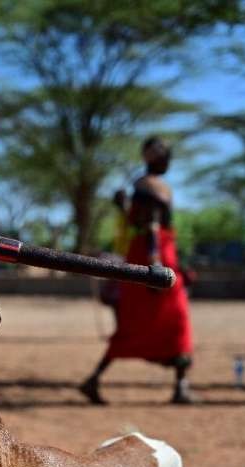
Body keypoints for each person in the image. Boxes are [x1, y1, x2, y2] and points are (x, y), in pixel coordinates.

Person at [80, 137, 194, 404]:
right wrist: (154, 267)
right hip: (154, 259)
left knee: (139, 321)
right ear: (154, 158)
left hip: (151, 255)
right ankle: (180, 385)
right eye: (165, 156)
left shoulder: (142, 186)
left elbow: (138, 221)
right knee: (176, 319)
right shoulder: (153, 187)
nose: (169, 161)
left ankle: (180, 384)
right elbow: (151, 226)